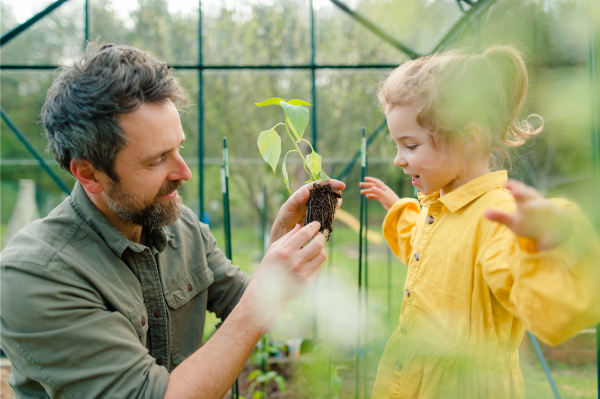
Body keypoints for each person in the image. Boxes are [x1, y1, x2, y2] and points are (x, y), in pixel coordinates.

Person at [0, 42, 344, 399]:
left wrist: (281, 250)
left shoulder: (179, 226)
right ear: (89, 173)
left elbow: (244, 304)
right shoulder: (36, 275)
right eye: (155, 160)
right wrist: (258, 304)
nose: (185, 172)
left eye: (178, 147)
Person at [359, 45, 600, 399]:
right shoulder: (438, 205)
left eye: (410, 146)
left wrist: (552, 245)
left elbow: (550, 307)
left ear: (468, 139)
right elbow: (430, 253)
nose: (398, 159)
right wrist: (400, 207)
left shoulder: (498, 218)